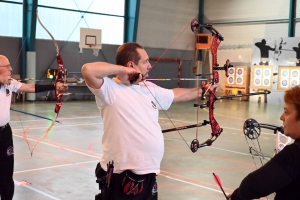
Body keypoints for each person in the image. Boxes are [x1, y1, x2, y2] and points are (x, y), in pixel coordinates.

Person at [81, 42, 219, 200]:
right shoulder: (110, 89)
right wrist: (124, 71)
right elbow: (88, 70)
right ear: (131, 65)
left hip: (148, 174)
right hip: (121, 176)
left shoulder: (148, 88)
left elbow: (175, 95)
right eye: (145, 61)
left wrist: (205, 90)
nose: (150, 65)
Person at [0, 55, 68, 200]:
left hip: (4, 133)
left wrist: (54, 86)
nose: (11, 69)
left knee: (6, 172)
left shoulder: (10, 83)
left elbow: (29, 87)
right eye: (7, 66)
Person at [228, 85, 300, 200]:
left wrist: (236, 196)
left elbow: (252, 185)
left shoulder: (295, 154)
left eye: (286, 112)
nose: (282, 117)